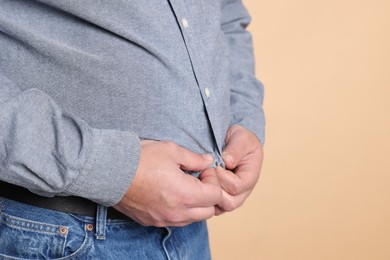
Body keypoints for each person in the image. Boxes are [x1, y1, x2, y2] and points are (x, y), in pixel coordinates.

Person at [0, 0, 265, 259]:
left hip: (188, 231)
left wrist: (243, 116)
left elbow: (226, 12)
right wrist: (112, 171)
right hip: (57, 232)